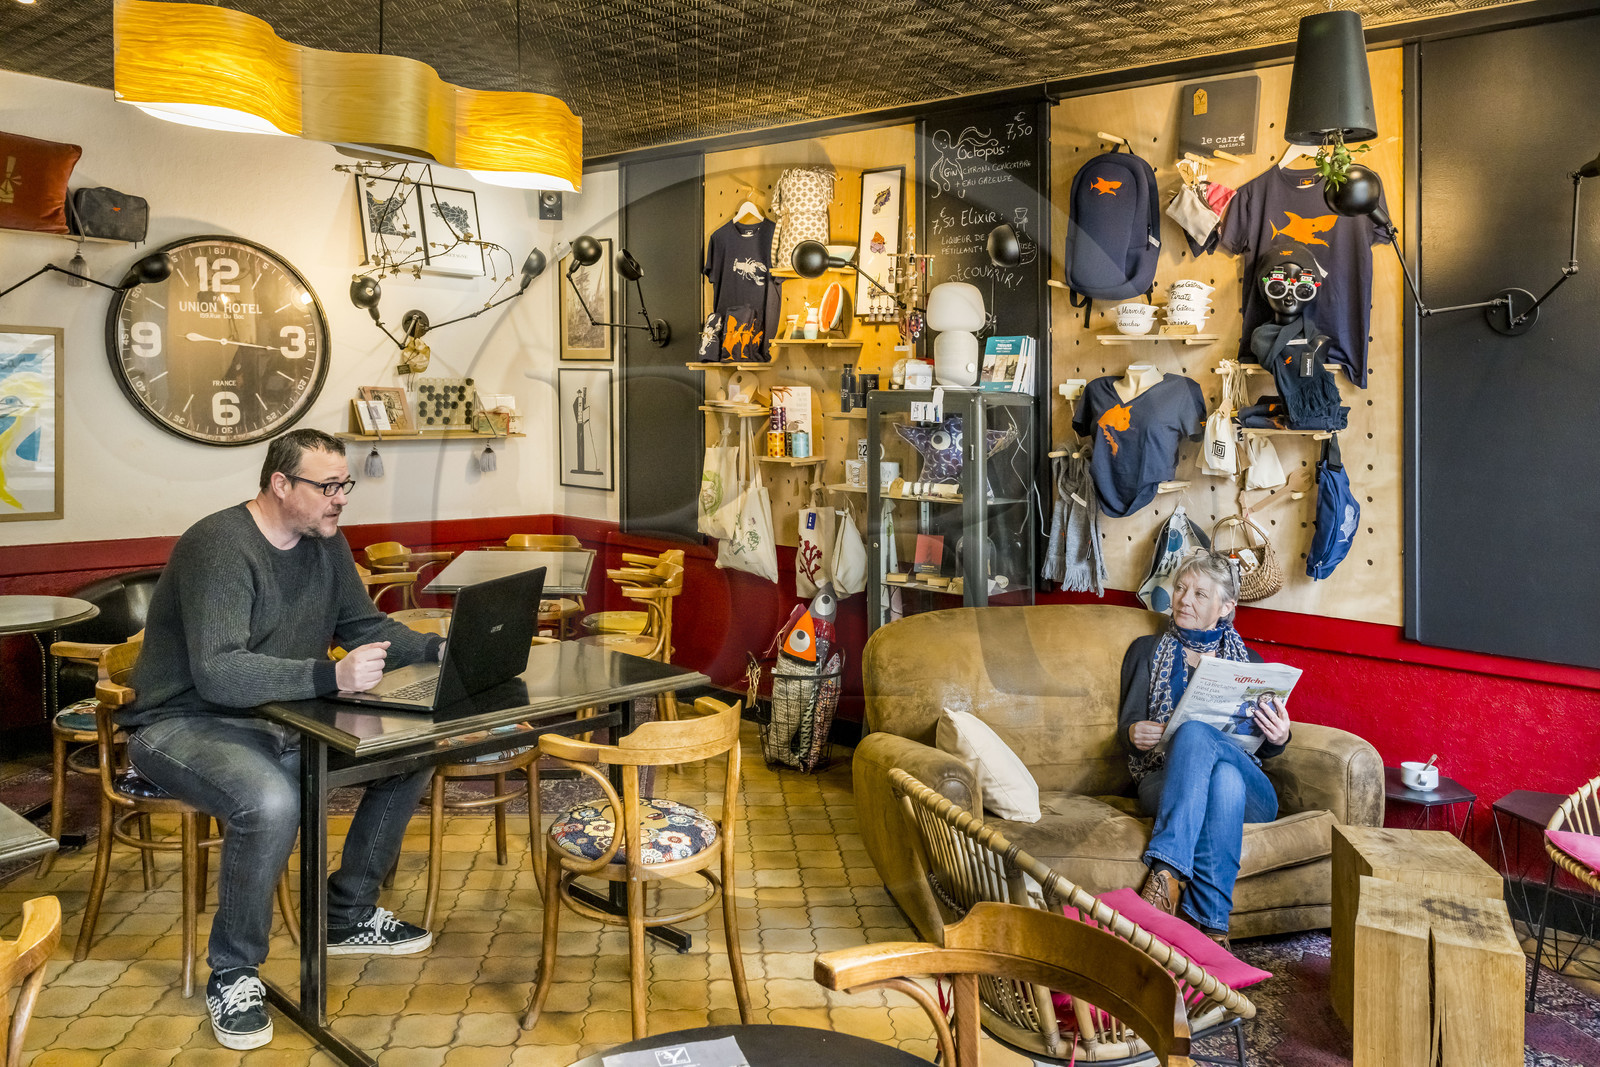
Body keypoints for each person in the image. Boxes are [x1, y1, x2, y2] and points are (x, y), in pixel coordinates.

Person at [123, 428, 445, 1051]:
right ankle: (235, 972)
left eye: (343, 484)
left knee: (409, 753)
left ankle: (345, 914)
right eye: (327, 487)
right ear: (280, 484)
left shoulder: (325, 542)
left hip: (284, 715)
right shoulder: (218, 546)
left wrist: (437, 648)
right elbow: (218, 670)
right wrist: (327, 674)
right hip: (180, 722)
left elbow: (363, 624)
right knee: (271, 804)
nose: (341, 499)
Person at [1118, 550, 1293, 946]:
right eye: (1180, 588)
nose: (1183, 600)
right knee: (1224, 782)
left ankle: (1166, 873)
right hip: (1164, 780)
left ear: (1226, 607)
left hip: (1256, 794)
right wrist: (1133, 734)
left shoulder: (1250, 662)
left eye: (1200, 594)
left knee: (1200, 737)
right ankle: (1214, 931)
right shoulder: (1145, 651)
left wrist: (1280, 737)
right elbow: (1124, 730)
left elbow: (1263, 751)